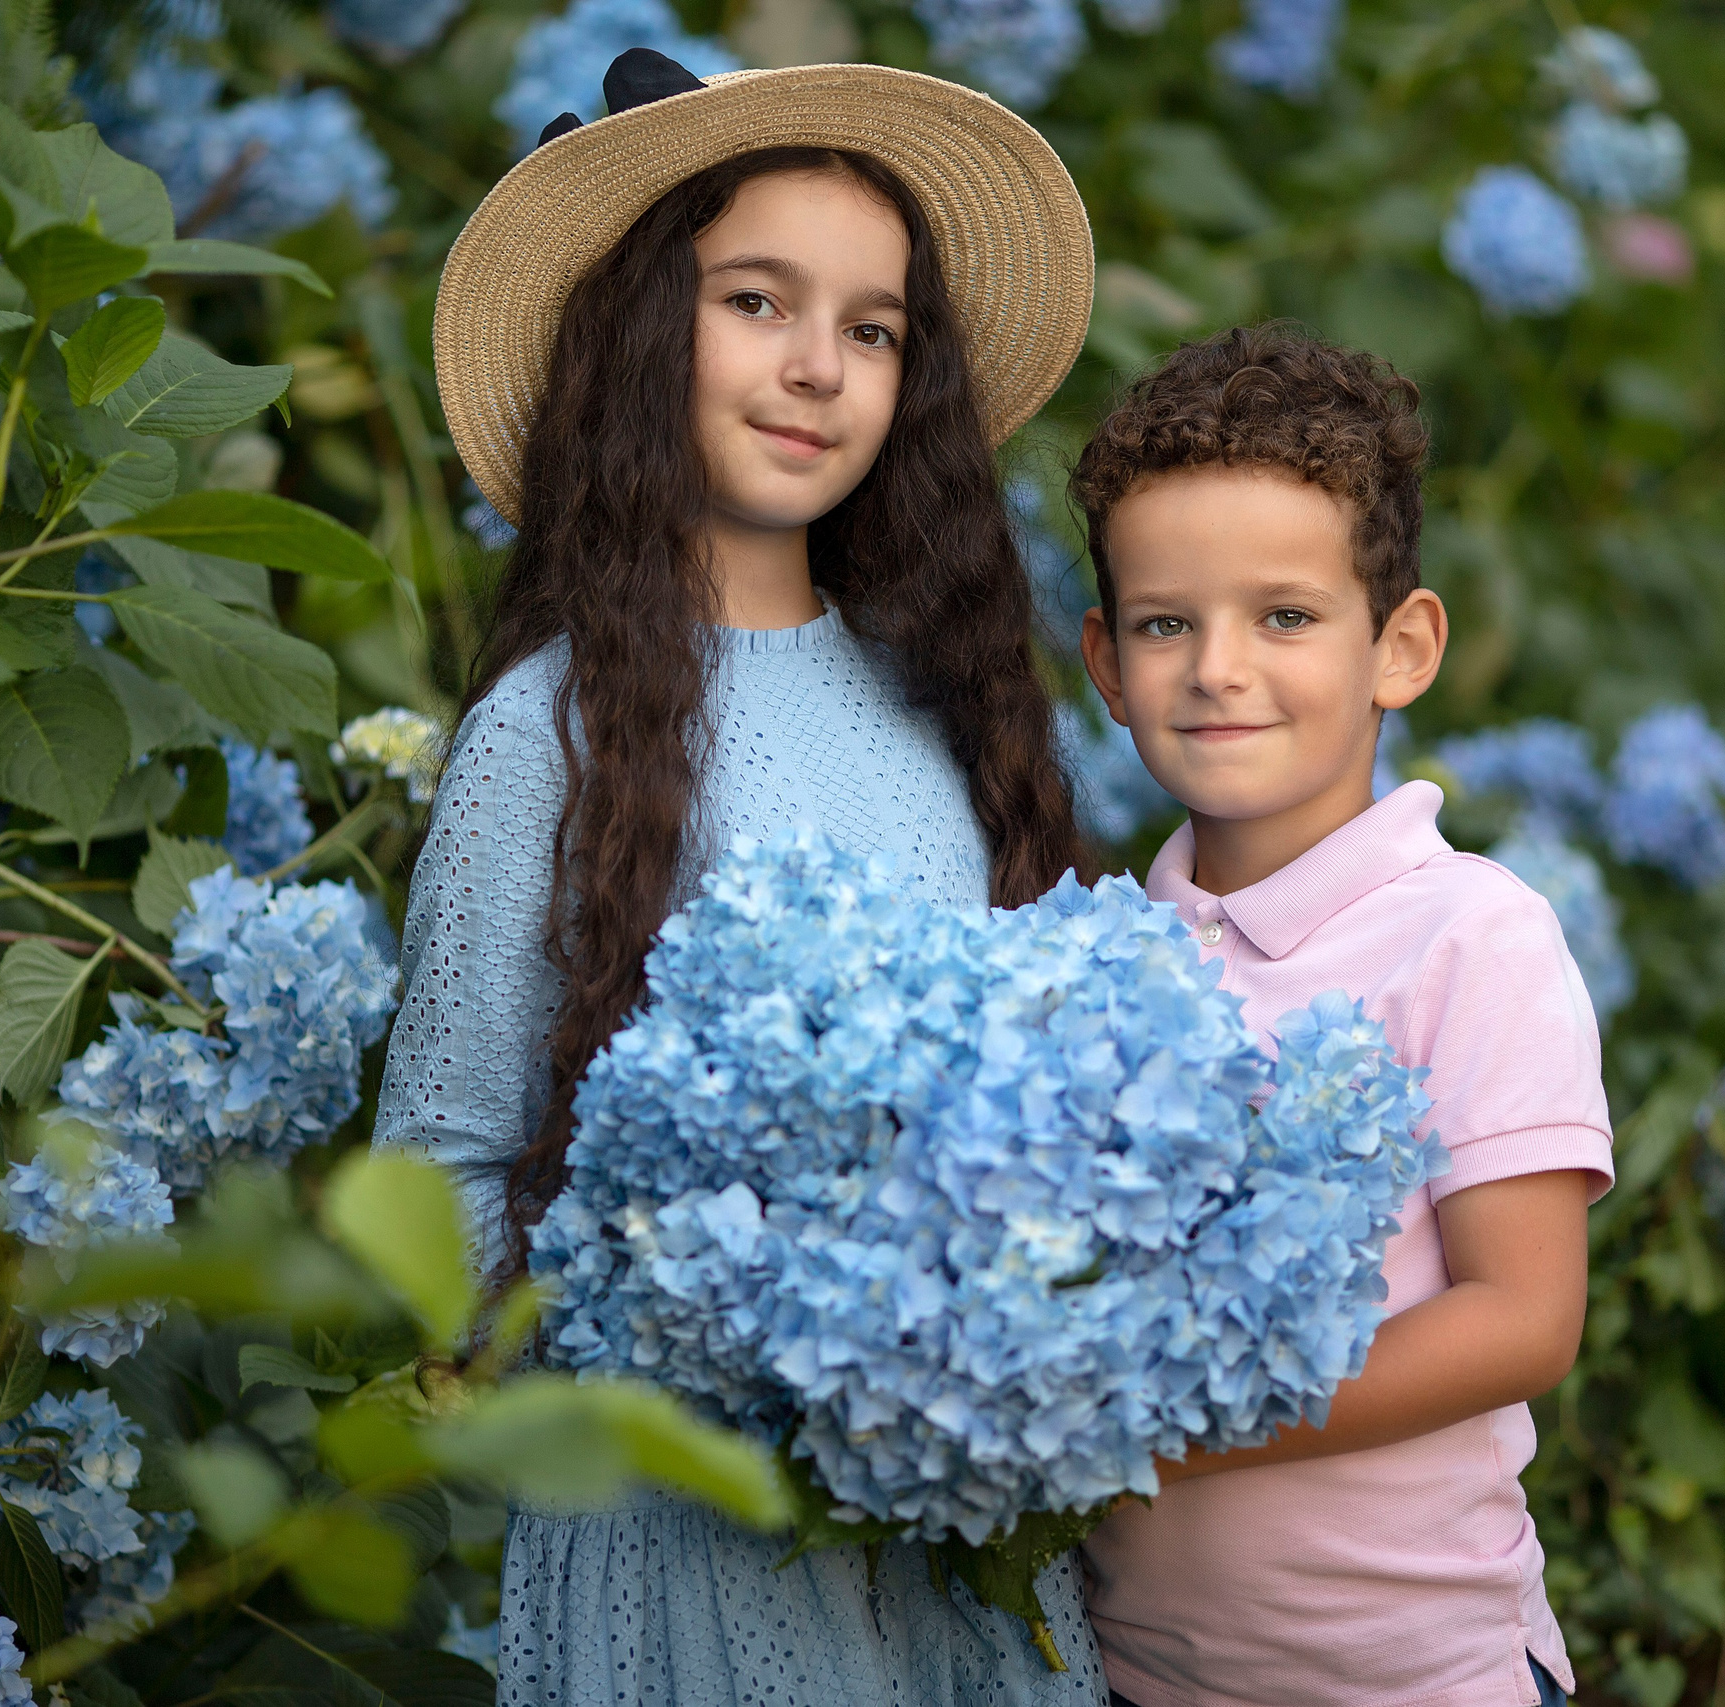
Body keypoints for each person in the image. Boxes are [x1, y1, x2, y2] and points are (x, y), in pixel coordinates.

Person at [377, 46, 1108, 1707]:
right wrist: (706, 1327)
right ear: (646, 335)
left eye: (872, 328)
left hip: (959, 1543)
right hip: (682, 1539)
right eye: (757, 302)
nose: (818, 370)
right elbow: (434, 1193)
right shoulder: (540, 732)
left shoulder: (940, 715)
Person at [1068, 325, 1616, 1707]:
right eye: (1165, 622)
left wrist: (1178, 1417)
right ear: (1104, 659)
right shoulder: (1098, 958)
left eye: (1286, 616)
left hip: (1419, 1681)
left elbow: (1521, 1318)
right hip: (1145, 1682)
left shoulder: (1470, 934)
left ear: (1404, 646)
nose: (1218, 669)